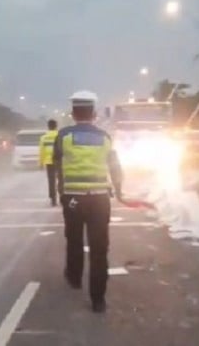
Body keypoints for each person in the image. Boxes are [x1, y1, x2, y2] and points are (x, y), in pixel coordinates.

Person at [52, 90, 124, 313]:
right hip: (100, 200)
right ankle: (98, 300)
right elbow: (115, 167)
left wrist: (62, 191)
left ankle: (74, 277)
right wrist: (119, 191)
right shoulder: (105, 137)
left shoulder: (63, 136)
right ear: (94, 113)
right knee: (99, 248)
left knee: (73, 237)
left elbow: (56, 165)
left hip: (73, 199)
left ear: (73, 112)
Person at [38, 119, 59, 206]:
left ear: (48, 126)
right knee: (61, 180)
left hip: (49, 161)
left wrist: (41, 163)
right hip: (59, 161)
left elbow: (41, 151)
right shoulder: (60, 136)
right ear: (56, 126)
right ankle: (62, 196)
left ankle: (53, 199)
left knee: (51, 181)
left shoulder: (43, 138)